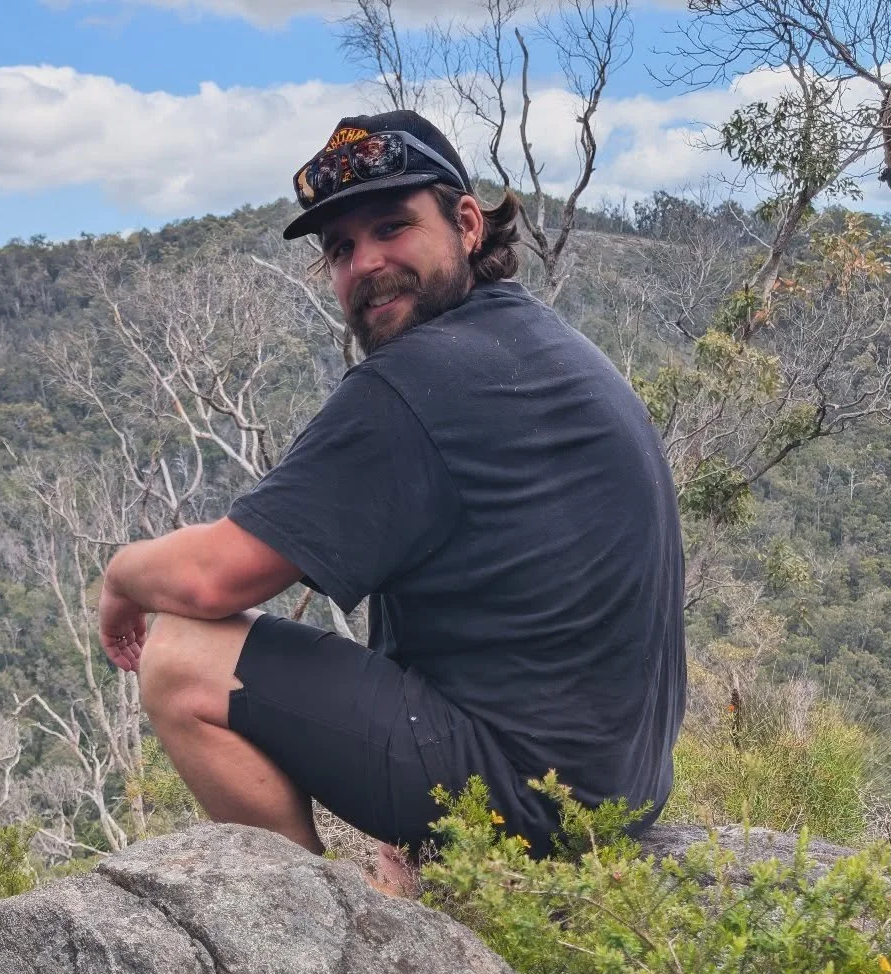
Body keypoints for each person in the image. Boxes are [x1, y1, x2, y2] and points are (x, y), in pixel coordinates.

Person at [99, 109, 686, 874]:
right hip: (619, 784)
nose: (365, 261)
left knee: (180, 655)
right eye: (341, 248)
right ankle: (408, 870)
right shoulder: (536, 340)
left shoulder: (416, 383)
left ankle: (315, 928)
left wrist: (118, 576)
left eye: (391, 227)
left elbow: (213, 579)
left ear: (467, 223)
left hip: (534, 798)